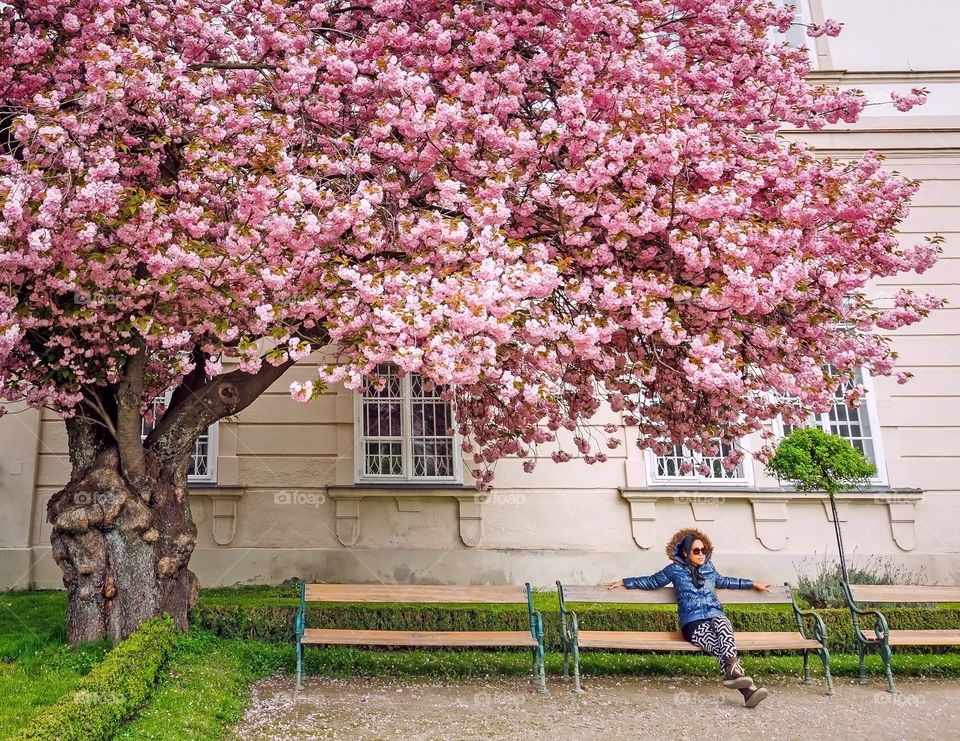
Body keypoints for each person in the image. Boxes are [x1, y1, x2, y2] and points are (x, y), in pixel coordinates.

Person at [604, 528, 772, 707]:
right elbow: (652, 581)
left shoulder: (709, 569)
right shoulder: (675, 570)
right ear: (685, 552)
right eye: (696, 551)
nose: (701, 554)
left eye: (704, 550)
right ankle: (743, 684)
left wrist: (753, 583)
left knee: (723, 624)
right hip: (693, 623)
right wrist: (625, 581)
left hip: (715, 615)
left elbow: (725, 581)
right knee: (722, 647)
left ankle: (741, 684)